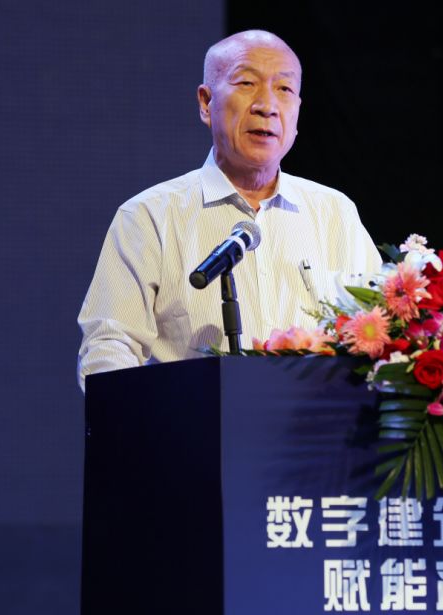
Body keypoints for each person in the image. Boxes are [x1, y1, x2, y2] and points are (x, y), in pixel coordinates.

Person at [77, 30, 381, 391]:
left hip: (314, 425)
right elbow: (110, 349)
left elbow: (380, 332)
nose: (267, 105)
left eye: (284, 89)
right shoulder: (149, 218)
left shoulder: (335, 214)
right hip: (193, 425)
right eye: (247, 83)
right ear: (206, 103)